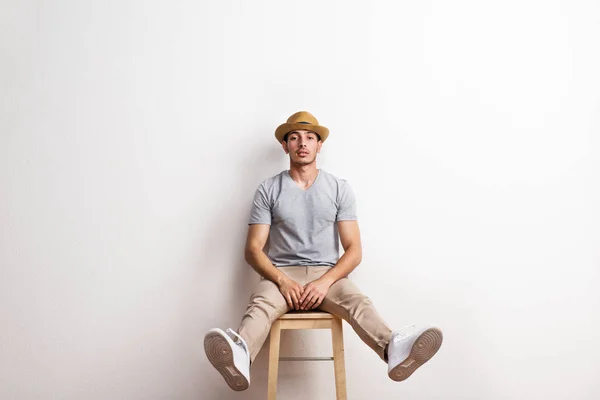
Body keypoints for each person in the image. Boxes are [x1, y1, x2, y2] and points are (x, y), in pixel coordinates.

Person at [204, 111, 443, 391]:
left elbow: (354, 250)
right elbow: (253, 250)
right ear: (285, 146)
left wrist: (324, 282)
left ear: (319, 145)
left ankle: (394, 350)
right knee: (261, 304)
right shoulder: (268, 189)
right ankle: (240, 354)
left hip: (327, 274)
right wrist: (282, 281)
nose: (302, 143)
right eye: (294, 138)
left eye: (309, 137)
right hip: (281, 275)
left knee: (357, 301)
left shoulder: (339, 189)